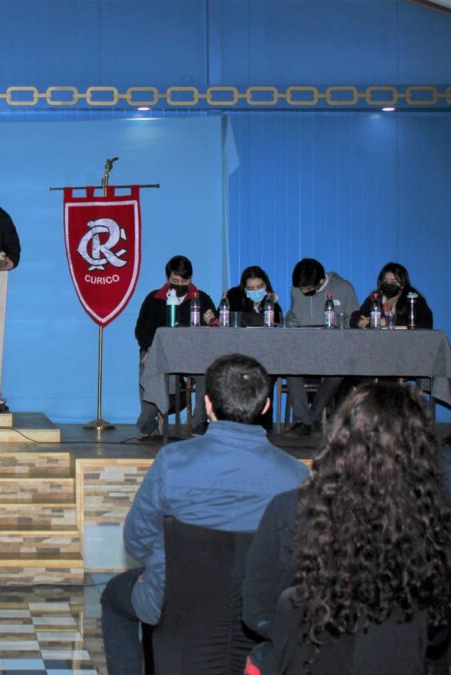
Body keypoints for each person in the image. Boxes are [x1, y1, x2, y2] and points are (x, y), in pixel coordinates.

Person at [101, 353, 309, 675]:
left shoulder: (172, 462)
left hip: (174, 603)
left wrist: (155, 565)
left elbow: (135, 541)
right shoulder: (295, 474)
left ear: (208, 404)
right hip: (258, 613)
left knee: (114, 600)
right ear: (266, 406)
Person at [242, 383, 451, 673]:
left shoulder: (288, 509)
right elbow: (437, 631)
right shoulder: (435, 523)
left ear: (339, 438)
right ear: (422, 448)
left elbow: (256, 612)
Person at [134, 255, 218, 436]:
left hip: (193, 355)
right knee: (147, 365)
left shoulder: (202, 298)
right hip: (159, 352)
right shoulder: (153, 298)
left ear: (191, 279)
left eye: (184, 280)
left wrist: (211, 320)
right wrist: (148, 347)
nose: (179, 284)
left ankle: (200, 421)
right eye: (175, 280)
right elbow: (142, 329)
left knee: (207, 371)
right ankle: (147, 419)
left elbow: (216, 330)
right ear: (167, 279)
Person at [282, 258, 360, 436]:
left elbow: (355, 320)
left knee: (338, 373)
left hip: (334, 350)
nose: (302, 291)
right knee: (289, 369)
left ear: (319, 282)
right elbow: (293, 315)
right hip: (304, 349)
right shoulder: (297, 289)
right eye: (300, 289)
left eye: (307, 289)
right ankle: (305, 421)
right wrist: (290, 321)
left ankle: (310, 419)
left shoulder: (344, 288)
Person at [350, 261, 433, 329]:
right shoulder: (375, 297)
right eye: (385, 281)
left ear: (402, 285)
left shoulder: (414, 299)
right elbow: (355, 316)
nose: (388, 284)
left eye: (393, 282)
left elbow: (425, 323)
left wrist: (388, 321)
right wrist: (360, 321)